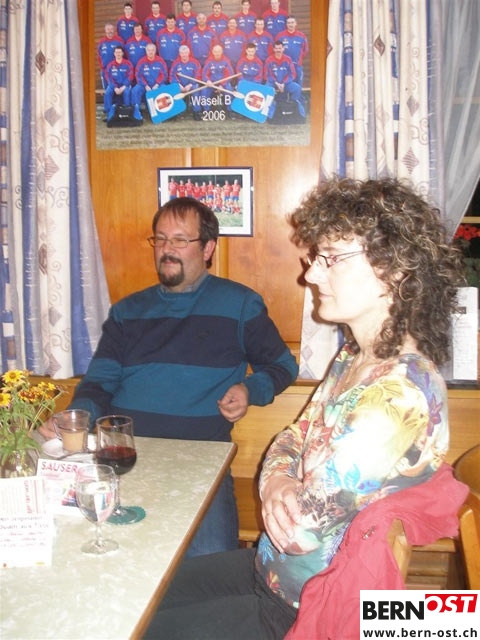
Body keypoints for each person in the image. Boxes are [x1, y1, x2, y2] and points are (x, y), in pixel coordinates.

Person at [141, 177, 464, 639]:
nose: (311, 275)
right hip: (269, 571)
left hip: (305, 605)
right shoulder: (355, 358)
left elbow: (299, 532)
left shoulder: (398, 396)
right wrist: (277, 480)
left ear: (395, 269)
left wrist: (280, 482)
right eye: (317, 258)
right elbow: (290, 437)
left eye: (331, 258)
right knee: (140, 594)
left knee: (136, 628)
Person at [40, 198, 298, 558]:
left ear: (207, 248)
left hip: (201, 462)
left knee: (208, 564)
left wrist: (249, 389)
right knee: (101, 555)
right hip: (125, 459)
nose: (167, 249)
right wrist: (76, 420)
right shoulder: (127, 312)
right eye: (160, 239)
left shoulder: (240, 304)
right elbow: (99, 382)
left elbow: (283, 365)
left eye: (180, 240)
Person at [264, 40, 305, 118]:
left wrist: (284, 83)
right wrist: (276, 82)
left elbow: (292, 74)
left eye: (280, 48)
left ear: (283, 48)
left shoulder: (288, 59)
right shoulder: (269, 59)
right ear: (274, 49)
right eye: (276, 48)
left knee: (297, 88)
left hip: (286, 83)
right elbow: (267, 75)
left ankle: (292, 108)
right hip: (273, 83)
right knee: (267, 89)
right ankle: (270, 114)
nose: (278, 50)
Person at [132, 43, 169, 121]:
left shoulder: (160, 61)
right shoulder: (141, 61)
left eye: (152, 50)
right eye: (149, 50)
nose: (150, 52)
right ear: (146, 51)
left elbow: (164, 74)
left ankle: (163, 113)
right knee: (135, 90)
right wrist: (145, 85)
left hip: (157, 84)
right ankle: (136, 113)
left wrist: (157, 84)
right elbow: (138, 75)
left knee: (164, 89)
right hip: (144, 85)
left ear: (155, 51)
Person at [169, 45, 203, 120]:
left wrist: (190, 84)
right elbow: (172, 75)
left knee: (196, 88)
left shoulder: (195, 62)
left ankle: (196, 112)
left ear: (188, 53)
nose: (184, 55)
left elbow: (198, 75)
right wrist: (179, 84)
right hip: (180, 85)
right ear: (179, 54)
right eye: (182, 53)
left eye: (185, 53)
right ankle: (175, 112)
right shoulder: (176, 63)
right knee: (173, 88)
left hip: (191, 84)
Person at [103, 45, 135, 121]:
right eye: (116, 52)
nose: (118, 54)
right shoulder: (110, 65)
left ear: (122, 53)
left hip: (125, 85)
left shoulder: (128, 64)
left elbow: (130, 76)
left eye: (119, 52)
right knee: (107, 93)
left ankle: (127, 114)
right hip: (114, 86)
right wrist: (115, 87)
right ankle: (109, 114)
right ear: (114, 54)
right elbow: (108, 77)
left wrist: (123, 87)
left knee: (127, 92)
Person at [277, 16, 309, 87]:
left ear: (295, 23)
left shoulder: (302, 36)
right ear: (286, 24)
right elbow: (276, 49)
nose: (290, 24)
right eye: (288, 23)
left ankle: (297, 94)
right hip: (284, 66)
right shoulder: (280, 36)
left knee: (298, 86)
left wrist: (299, 59)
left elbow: (305, 50)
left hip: (297, 65)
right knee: (285, 85)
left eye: (292, 22)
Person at [97, 22, 124, 89]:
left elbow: (124, 54)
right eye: (108, 29)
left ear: (114, 30)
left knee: (117, 89)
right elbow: (99, 55)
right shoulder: (101, 42)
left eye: (111, 29)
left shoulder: (119, 40)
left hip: (116, 69)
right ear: (105, 30)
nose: (110, 31)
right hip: (105, 69)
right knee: (107, 90)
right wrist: (102, 66)